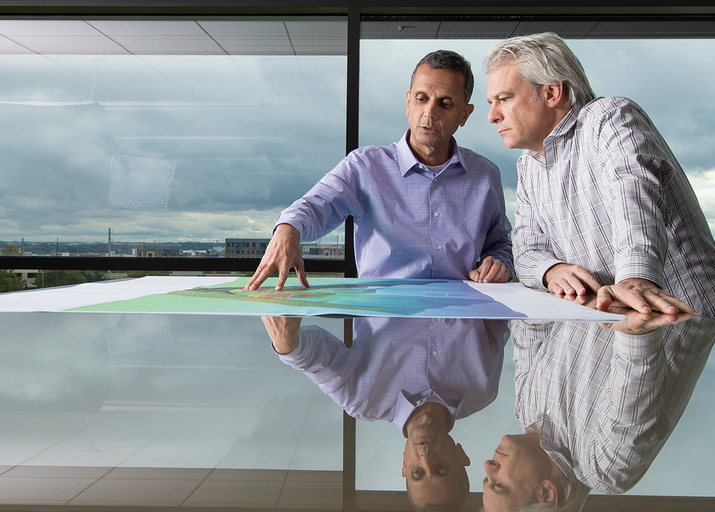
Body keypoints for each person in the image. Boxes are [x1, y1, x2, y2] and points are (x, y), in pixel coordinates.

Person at [483, 32, 715, 317]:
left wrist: (635, 280)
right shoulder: (529, 163)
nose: (492, 116)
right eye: (491, 103)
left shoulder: (609, 118)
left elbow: (633, 200)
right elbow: (526, 251)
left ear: (552, 93)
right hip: (611, 325)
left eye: (504, 99)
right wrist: (552, 270)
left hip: (685, 322)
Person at [247, 50, 513, 291]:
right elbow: (316, 205)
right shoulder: (365, 166)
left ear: (464, 115)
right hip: (383, 326)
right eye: (421, 99)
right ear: (408, 102)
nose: (429, 113)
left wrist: (500, 263)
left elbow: (501, 244)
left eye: (445, 103)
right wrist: (287, 229)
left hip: (463, 325)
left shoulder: (486, 175)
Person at [262, 315, 510, 511]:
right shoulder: (483, 388)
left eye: (417, 473)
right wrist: (498, 265)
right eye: (442, 468)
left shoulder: (363, 398)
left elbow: (311, 359)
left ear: (404, 465)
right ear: (460, 455)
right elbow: (499, 309)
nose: (426, 457)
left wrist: (287, 345)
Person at [482, 309, 709, 512]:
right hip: (673, 280)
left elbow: (532, 316)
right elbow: (636, 341)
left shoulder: (526, 411)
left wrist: (553, 274)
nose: (487, 467)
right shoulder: (607, 469)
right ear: (547, 493)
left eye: (486, 479)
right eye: (500, 484)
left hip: (605, 271)